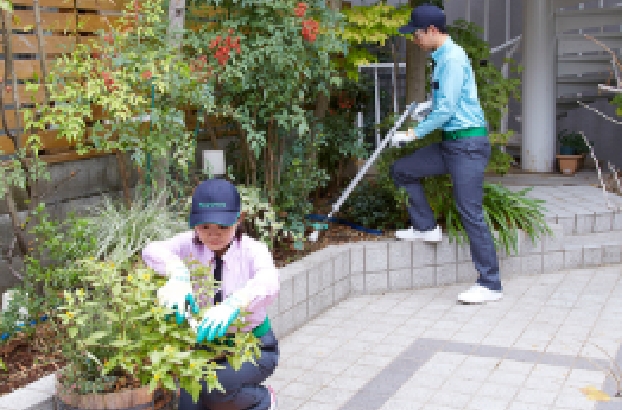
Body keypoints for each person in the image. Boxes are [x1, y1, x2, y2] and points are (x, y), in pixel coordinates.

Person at [391, 3, 502, 304]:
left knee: (470, 213)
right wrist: (428, 105)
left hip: (467, 145)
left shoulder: (451, 59)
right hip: (452, 144)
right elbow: (447, 99)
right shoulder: (441, 58)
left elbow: (447, 110)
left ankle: (490, 283)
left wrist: (412, 133)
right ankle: (426, 227)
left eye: (416, 34)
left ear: (431, 31)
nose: (414, 40)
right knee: (402, 170)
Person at [142, 178, 279, 410]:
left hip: (252, 346)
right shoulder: (189, 244)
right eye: (205, 227)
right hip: (205, 347)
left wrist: (234, 303)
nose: (213, 235)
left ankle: (263, 399)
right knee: (186, 401)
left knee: (213, 389)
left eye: (222, 227)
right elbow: (151, 250)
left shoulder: (252, 250)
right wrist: (176, 272)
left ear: (239, 218)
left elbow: (269, 282)